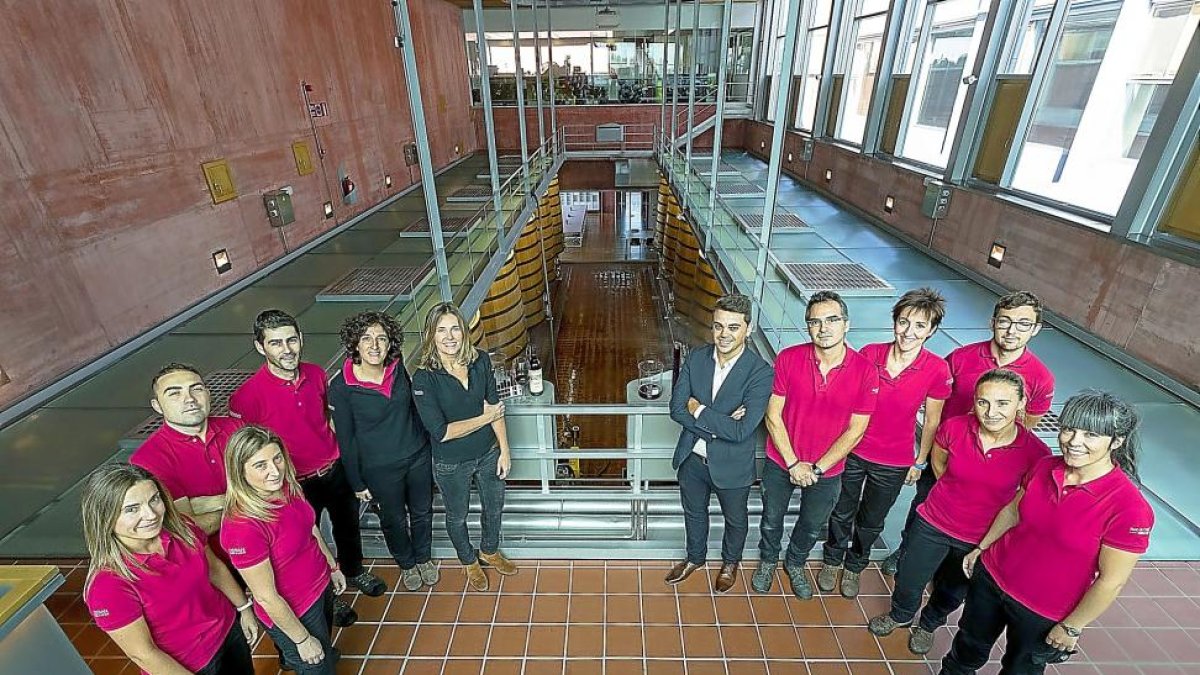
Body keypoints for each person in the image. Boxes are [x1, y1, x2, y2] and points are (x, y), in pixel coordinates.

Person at [940, 391, 1153, 674]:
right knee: (965, 651)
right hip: (992, 580)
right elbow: (1012, 511)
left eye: (1090, 434)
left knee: (1020, 670)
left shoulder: (1129, 508)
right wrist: (982, 548)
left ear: (1117, 441)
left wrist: (1072, 627)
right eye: (1068, 430)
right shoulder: (1045, 467)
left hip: (1044, 611)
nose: (1074, 442)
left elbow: (1111, 581)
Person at [868, 369, 1051, 656]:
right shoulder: (954, 427)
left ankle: (929, 624)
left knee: (953, 589)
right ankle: (900, 615)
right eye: (983, 402)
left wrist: (987, 542)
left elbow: (1020, 502)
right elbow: (939, 462)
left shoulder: (1035, 453)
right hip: (934, 521)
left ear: (1021, 403)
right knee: (909, 575)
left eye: (1003, 403)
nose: (991, 412)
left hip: (979, 536)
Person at [228, 309, 386, 626]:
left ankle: (354, 571)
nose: (286, 349)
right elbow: (247, 451)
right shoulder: (246, 397)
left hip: (333, 468)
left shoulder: (315, 374)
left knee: (347, 527)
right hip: (293, 483)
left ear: (301, 340)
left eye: (291, 340)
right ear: (260, 347)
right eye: (275, 343)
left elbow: (326, 418)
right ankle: (330, 596)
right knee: (308, 541)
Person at [883, 290, 1055, 575]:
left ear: (1036, 329)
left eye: (1023, 324)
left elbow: (1026, 425)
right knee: (923, 508)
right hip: (945, 453)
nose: (1012, 330)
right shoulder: (961, 359)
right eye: (1004, 321)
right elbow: (935, 403)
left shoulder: (1040, 378)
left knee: (977, 521)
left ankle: (951, 565)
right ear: (992, 323)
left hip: (989, 468)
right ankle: (907, 551)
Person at [818, 288, 952, 598]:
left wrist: (920, 461)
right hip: (853, 450)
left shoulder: (936, 369)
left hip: (893, 460)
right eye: (904, 322)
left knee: (871, 519)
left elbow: (931, 421)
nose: (909, 332)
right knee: (841, 510)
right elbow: (846, 399)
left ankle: (855, 565)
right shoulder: (870, 353)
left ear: (931, 330)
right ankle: (832, 559)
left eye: (920, 326)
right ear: (894, 322)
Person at [754, 290, 879, 599]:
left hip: (828, 470)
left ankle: (795, 562)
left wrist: (818, 468)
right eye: (815, 322)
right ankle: (768, 560)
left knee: (812, 524)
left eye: (832, 320)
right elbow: (773, 415)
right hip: (781, 461)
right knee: (771, 518)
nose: (824, 328)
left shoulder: (865, 370)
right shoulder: (788, 358)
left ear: (846, 324)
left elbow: (856, 430)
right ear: (807, 327)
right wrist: (794, 463)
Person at [82, 464, 257, 675]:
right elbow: (144, 654)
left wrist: (243, 607)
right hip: (189, 666)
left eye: (154, 499)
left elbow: (214, 569)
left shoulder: (182, 529)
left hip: (228, 633)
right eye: (131, 509)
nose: (151, 514)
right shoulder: (107, 585)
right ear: (105, 518)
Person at [666, 294, 774, 592]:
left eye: (733, 327)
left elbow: (742, 431)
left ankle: (730, 563)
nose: (724, 335)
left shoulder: (761, 372)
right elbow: (676, 409)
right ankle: (695, 558)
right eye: (718, 327)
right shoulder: (696, 358)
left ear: (748, 328)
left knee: (736, 520)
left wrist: (699, 410)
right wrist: (720, 423)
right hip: (692, 459)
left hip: (732, 465)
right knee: (694, 512)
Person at [221, 426, 348, 675]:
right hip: (295, 611)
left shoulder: (288, 486)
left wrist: (332, 566)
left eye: (277, 458)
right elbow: (266, 597)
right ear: (240, 472)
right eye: (260, 465)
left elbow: (309, 528)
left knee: (324, 653)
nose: (274, 470)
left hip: (320, 587)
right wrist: (301, 640)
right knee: (316, 666)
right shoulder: (242, 526)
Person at [328, 310, 438, 592]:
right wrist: (357, 481)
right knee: (394, 519)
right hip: (379, 469)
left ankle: (424, 557)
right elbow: (347, 438)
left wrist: (428, 443)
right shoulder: (342, 387)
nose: (374, 345)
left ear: (390, 344)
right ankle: (407, 562)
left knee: (423, 511)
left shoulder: (398, 368)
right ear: (355, 344)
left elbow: (414, 407)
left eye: (381, 338)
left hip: (417, 456)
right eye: (366, 338)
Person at [411, 302, 516, 592]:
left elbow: (495, 405)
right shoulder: (424, 378)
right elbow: (441, 432)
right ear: (431, 335)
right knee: (457, 515)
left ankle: (489, 550)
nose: (449, 336)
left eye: (455, 328)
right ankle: (469, 560)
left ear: (464, 331)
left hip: (488, 452)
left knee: (494, 508)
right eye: (441, 330)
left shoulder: (480, 360)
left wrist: (504, 449)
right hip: (451, 462)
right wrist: (486, 416)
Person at [130, 363, 244, 535]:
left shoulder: (237, 428)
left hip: (270, 539)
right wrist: (247, 500)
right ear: (157, 405)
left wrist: (204, 504)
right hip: (207, 556)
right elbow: (184, 526)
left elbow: (276, 488)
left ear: (207, 394)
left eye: (196, 389)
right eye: (175, 393)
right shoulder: (147, 460)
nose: (189, 399)